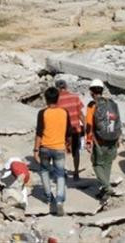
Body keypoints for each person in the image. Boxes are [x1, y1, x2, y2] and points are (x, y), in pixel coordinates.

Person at [34, 87, 72, 216]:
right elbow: (69, 133)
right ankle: (60, 201)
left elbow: (39, 133)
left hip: (45, 147)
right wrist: (68, 145)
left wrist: (35, 150)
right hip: (59, 147)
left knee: (44, 171)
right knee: (60, 174)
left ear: (46, 99)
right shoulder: (64, 112)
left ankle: (49, 197)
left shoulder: (42, 113)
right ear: (58, 98)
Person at [85, 79, 122, 205]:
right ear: (102, 90)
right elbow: (118, 122)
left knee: (96, 165)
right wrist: (118, 138)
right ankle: (104, 192)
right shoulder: (112, 104)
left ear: (91, 92)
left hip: (99, 141)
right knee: (107, 164)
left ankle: (107, 187)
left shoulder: (92, 105)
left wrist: (88, 141)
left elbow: (89, 125)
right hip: (113, 139)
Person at [56, 79, 84, 181]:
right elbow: (80, 114)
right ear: (66, 86)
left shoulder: (56, 100)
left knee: (61, 151)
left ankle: (62, 173)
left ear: (57, 88)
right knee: (76, 151)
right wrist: (86, 127)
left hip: (63, 130)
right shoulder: (75, 97)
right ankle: (76, 173)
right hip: (75, 129)